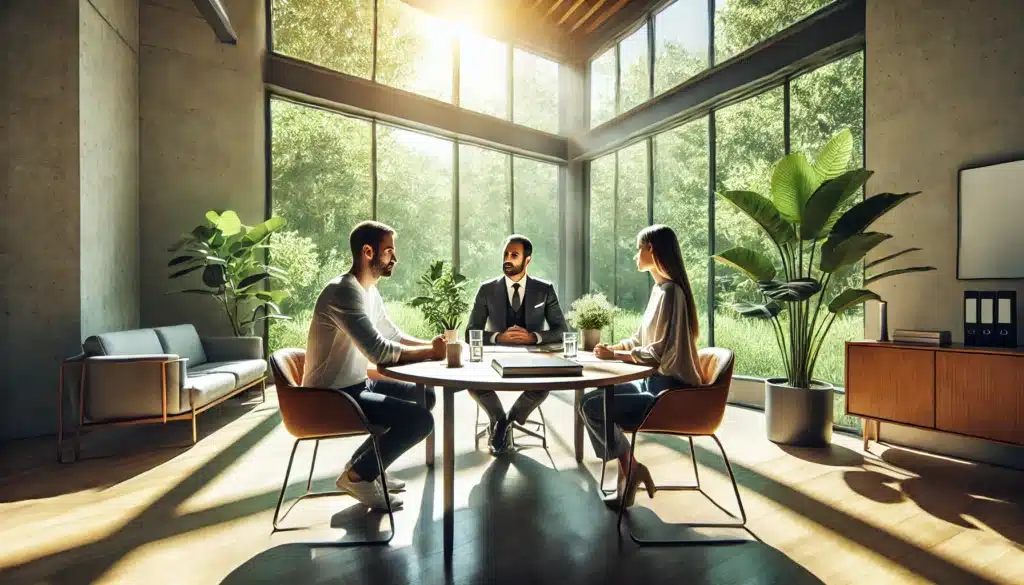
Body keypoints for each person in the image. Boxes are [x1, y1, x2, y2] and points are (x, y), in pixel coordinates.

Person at [303, 220, 446, 511]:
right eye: (389, 252)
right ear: (368, 252)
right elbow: (378, 351)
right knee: (421, 421)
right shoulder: (343, 291)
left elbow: (393, 335)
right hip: (331, 396)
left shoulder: (369, 290)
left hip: (355, 385)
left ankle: (365, 465)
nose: (395, 258)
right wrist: (431, 353)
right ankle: (358, 476)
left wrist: (434, 345)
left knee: (425, 396)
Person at [579, 224, 703, 509]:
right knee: (593, 398)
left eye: (639, 248)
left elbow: (657, 353)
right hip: (654, 385)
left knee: (592, 407)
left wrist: (617, 358)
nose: (635, 254)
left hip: (669, 395)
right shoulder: (660, 290)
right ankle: (631, 468)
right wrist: (613, 349)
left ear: (652, 250)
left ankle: (630, 469)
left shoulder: (672, 293)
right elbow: (640, 339)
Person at [464, 234, 568, 454]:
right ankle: (500, 419)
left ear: (527, 260)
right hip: (493, 360)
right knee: (473, 383)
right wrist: (497, 337)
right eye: (505, 254)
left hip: (533, 359)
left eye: (514, 255)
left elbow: (562, 331)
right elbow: (470, 332)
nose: (507, 259)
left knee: (542, 386)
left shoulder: (544, 289)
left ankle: (507, 421)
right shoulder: (486, 289)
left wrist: (534, 337)